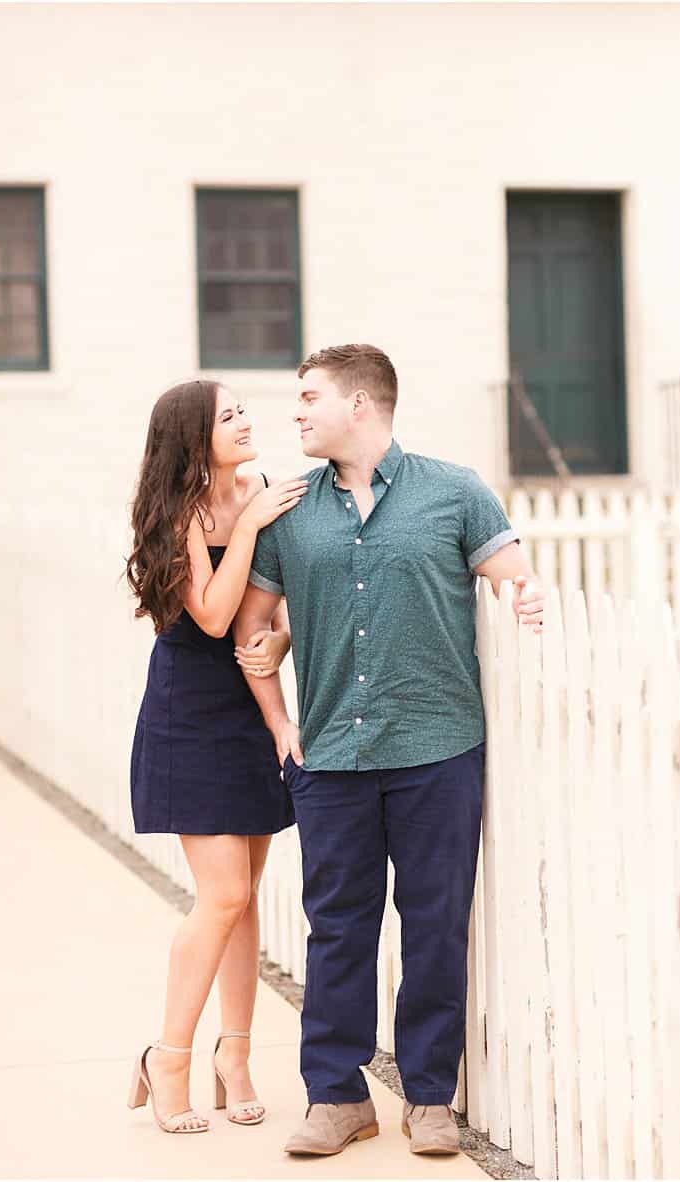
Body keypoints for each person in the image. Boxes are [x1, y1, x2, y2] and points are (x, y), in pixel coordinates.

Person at [230, 344, 545, 1158]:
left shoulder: (454, 491)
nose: (295, 413)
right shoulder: (287, 510)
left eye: (309, 398)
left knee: (435, 925)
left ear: (361, 404)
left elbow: (514, 576)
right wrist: (277, 719)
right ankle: (336, 1099)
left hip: (438, 748)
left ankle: (429, 1098)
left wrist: (529, 596)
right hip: (332, 754)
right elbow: (252, 624)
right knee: (336, 928)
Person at [123, 380, 307, 1134]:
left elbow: (276, 605)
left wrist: (284, 642)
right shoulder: (183, 513)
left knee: (248, 893)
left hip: (248, 699)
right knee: (223, 894)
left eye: (242, 410)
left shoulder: (259, 486)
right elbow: (213, 612)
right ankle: (168, 1055)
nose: (244, 421)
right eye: (228, 414)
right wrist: (255, 521)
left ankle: (234, 1054)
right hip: (190, 711)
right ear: (194, 437)